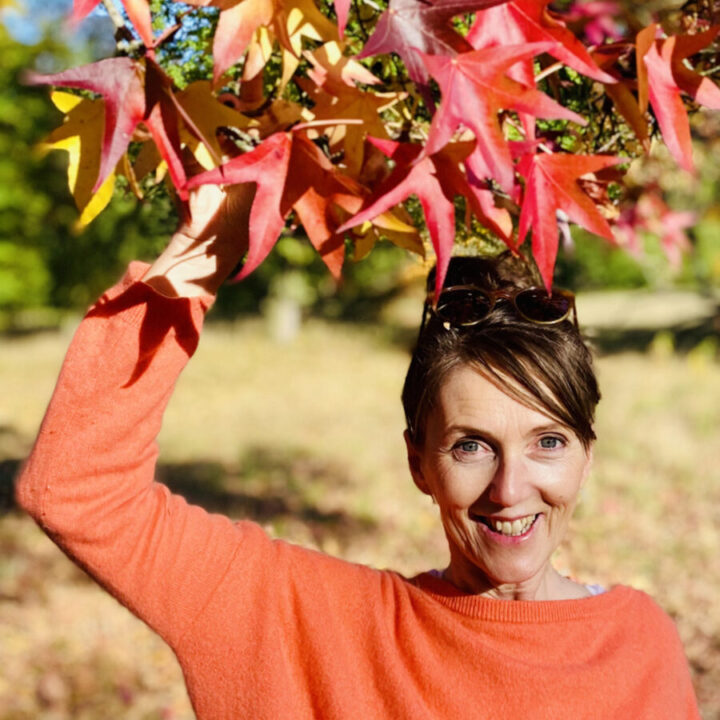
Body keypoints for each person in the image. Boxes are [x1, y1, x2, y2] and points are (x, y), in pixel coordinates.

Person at [16, 182, 701, 719]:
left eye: (547, 441)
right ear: (417, 462)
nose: (510, 489)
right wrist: (205, 248)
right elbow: (76, 488)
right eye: (471, 447)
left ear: (588, 456)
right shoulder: (308, 623)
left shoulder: (638, 644)